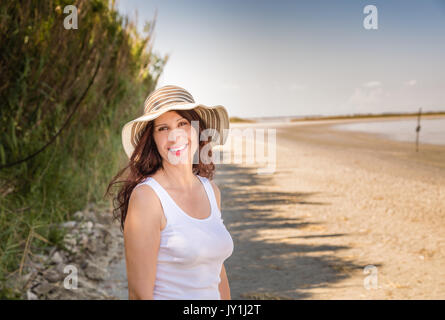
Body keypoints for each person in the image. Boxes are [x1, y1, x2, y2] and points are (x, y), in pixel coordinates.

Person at [107, 85, 233, 300]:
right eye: (163, 128)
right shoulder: (148, 198)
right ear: (152, 139)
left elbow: (216, 272)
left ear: (197, 129)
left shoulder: (211, 191)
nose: (175, 137)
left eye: (182, 123)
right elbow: (139, 295)